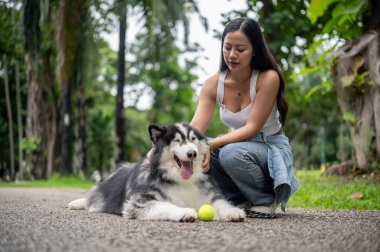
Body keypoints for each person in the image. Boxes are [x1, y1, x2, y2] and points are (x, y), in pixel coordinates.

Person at [190, 17, 299, 218]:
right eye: (227, 47)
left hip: (270, 148)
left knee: (227, 152)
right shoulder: (213, 84)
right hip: (238, 148)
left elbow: (251, 128)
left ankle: (265, 200)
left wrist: (212, 145)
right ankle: (237, 199)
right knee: (195, 150)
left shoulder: (268, 78)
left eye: (240, 49)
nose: (232, 55)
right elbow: (194, 130)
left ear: (255, 50)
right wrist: (164, 145)